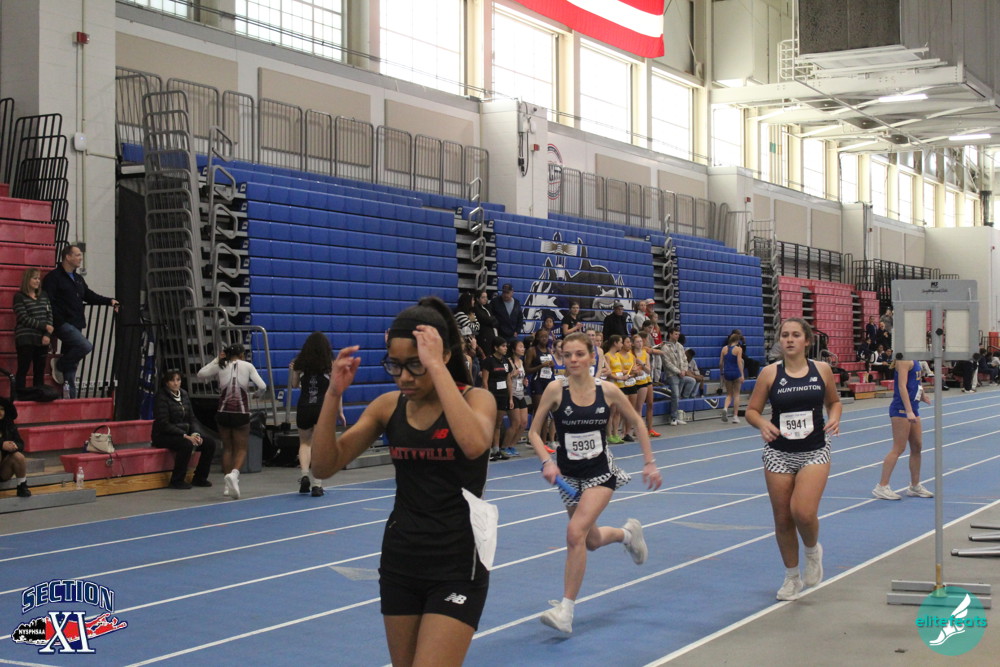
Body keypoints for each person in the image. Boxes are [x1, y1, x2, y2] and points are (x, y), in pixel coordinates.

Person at [310, 297, 496, 667]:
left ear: (441, 356)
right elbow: (323, 465)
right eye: (395, 365)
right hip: (401, 559)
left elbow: (474, 444)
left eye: (415, 365)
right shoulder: (387, 406)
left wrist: (437, 368)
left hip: (457, 562)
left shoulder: (477, 400)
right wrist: (333, 394)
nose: (405, 377)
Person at [530, 332, 662, 634]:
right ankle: (627, 535)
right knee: (588, 540)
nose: (573, 360)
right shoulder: (555, 389)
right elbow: (534, 432)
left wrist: (649, 462)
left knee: (574, 532)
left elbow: (637, 422)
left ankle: (566, 610)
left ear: (592, 356)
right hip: (568, 477)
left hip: (600, 473)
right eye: (567, 355)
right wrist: (546, 461)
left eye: (579, 354)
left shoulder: (608, 390)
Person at [745, 318, 841, 601]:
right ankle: (791, 578)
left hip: (814, 451)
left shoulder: (821, 370)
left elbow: (834, 402)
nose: (789, 339)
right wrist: (762, 424)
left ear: (807, 341)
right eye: (785, 335)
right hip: (778, 453)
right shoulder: (769, 373)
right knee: (783, 519)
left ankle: (812, 552)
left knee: (803, 512)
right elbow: (751, 410)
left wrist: (834, 418)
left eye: (795, 335)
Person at [42, 245, 120, 398]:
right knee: (85, 345)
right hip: (62, 323)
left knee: (72, 364)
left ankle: (70, 398)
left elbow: (89, 295)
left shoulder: (78, 279)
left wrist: (109, 301)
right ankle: (59, 364)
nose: (80, 258)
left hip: (76, 322)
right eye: (77, 255)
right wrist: (56, 320)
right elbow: (48, 301)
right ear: (67, 257)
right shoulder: (54, 277)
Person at [197, 343, 266, 500]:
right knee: (241, 449)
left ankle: (227, 487)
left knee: (227, 448)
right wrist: (257, 394)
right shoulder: (247, 366)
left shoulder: (221, 365)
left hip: (223, 412)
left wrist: (217, 359)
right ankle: (234, 475)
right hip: (240, 413)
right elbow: (262, 386)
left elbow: (201, 374)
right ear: (241, 355)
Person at [873, 353, 934, 500]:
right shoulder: (904, 361)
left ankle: (915, 486)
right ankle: (882, 486)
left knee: (917, 446)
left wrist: (923, 396)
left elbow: (917, 381)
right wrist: (908, 410)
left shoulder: (915, 359)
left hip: (914, 407)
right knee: (899, 448)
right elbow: (902, 386)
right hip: (901, 409)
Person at [289, 332, 342, 497]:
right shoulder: (330, 365)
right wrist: (340, 411)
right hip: (322, 408)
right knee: (319, 445)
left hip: (304, 406)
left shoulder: (300, 364)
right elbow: (336, 389)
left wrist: (293, 371)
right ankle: (317, 484)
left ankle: (304, 475)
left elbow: (294, 384)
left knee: (305, 443)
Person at [151, 370, 216, 490]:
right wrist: (184, 435)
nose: (176, 383)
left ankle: (200, 478)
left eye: (178, 380)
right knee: (186, 444)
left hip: (185, 433)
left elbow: (192, 418)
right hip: (163, 435)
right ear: (166, 382)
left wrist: (195, 433)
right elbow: (163, 423)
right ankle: (177, 480)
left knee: (209, 443)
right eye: (172, 380)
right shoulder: (161, 397)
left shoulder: (184, 394)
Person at [12, 268, 53, 394]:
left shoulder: (44, 295)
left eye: (38, 278)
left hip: (42, 338)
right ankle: (19, 394)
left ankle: (38, 394)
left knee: (39, 369)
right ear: (27, 279)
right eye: (34, 278)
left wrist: (47, 334)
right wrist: (44, 326)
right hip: (26, 337)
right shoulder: (19, 297)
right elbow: (23, 318)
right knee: (23, 368)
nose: (37, 281)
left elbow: (49, 315)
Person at [481, 338, 517, 460]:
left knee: (498, 423)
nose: (505, 348)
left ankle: (496, 450)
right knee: (489, 423)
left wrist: (510, 398)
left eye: (506, 346)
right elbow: (485, 381)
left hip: (503, 396)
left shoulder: (506, 361)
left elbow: (508, 380)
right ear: (496, 348)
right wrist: (487, 398)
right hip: (492, 395)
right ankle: (487, 450)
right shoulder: (488, 361)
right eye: (503, 346)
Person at [661, 327, 692, 425]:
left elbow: (685, 360)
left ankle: (677, 416)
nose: (677, 336)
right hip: (672, 375)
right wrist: (678, 371)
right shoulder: (665, 347)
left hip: (681, 374)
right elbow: (667, 363)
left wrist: (684, 370)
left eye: (678, 334)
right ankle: (673, 418)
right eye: (675, 334)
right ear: (670, 334)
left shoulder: (680, 346)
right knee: (675, 395)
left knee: (679, 395)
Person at [0, 400, 30, 497]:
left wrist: (14, 446)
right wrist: (2, 445)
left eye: (2, 409)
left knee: (18, 456)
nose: (0, 412)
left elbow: (20, 443)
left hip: (3, 469)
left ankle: (22, 485)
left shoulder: (9, 425)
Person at [507, 338, 529, 452]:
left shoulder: (521, 361)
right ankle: (504, 446)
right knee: (515, 423)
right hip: (512, 394)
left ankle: (512, 445)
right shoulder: (509, 361)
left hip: (521, 394)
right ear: (513, 349)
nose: (523, 349)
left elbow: (521, 377)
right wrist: (512, 375)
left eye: (523, 347)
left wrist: (524, 382)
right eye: (520, 347)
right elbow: (506, 378)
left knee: (524, 423)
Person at [719, 332, 744, 424]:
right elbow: (739, 362)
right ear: (737, 341)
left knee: (729, 394)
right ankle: (735, 416)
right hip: (736, 372)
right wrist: (742, 374)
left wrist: (721, 372)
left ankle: (725, 408)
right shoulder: (738, 349)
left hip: (727, 373)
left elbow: (720, 363)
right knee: (736, 394)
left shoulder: (724, 349)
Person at [472, 289, 497, 355]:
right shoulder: (476, 308)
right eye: (483, 297)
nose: (485, 299)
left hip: (491, 334)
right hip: (483, 335)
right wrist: (491, 319)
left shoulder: (487, 307)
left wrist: (491, 320)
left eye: (486, 297)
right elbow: (484, 319)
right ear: (477, 299)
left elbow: (495, 320)